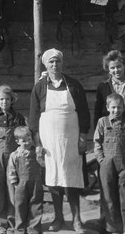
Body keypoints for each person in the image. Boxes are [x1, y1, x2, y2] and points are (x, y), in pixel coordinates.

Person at [30, 48, 90, 233]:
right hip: (49, 142)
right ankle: (58, 218)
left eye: (57, 62)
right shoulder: (39, 87)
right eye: (51, 62)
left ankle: (77, 220)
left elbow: (84, 113)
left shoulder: (73, 84)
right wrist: (38, 145)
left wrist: (83, 137)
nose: (54, 65)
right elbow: (34, 118)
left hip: (70, 140)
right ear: (45, 65)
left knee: (72, 179)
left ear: (62, 63)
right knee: (53, 179)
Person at [94, 94, 125, 234]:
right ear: (108, 108)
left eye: (119, 107)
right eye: (113, 107)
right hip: (107, 162)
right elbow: (97, 143)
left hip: (124, 162)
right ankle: (112, 228)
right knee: (108, 196)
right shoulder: (102, 122)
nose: (116, 110)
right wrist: (101, 159)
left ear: (123, 108)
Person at [0, 84, 27, 234]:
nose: (4, 102)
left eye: (7, 99)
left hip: (13, 159)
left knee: (12, 190)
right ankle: (2, 224)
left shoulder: (18, 118)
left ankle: (13, 221)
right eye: (1, 99)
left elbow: (23, 138)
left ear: (12, 100)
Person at [8, 126, 45, 234]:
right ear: (17, 142)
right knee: (20, 207)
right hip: (21, 184)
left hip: (35, 183)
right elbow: (12, 170)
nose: (28, 143)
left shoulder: (36, 152)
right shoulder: (15, 155)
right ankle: (19, 229)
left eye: (29, 140)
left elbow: (43, 164)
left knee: (36, 206)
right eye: (24, 141)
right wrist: (14, 183)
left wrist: (40, 154)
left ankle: (34, 229)